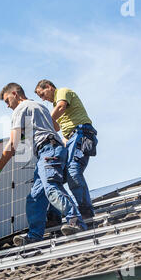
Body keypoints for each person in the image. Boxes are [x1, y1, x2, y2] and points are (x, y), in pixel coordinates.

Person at [0, 83, 87, 246]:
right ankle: (34, 235)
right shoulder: (39, 105)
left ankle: (76, 222)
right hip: (52, 150)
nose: (7, 106)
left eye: (7, 100)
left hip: (48, 151)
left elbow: (13, 143)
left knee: (52, 188)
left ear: (14, 94)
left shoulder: (20, 109)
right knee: (35, 197)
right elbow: (54, 127)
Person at [34, 80, 98, 219]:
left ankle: (86, 211)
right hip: (70, 138)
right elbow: (57, 128)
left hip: (81, 133)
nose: (43, 98)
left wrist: (45, 119)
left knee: (73, 171)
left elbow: (61, 107)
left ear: (49, 87)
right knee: (57, 176)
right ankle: (55, 215)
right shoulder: (54, 106)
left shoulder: (62, 92)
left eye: (42, 94)